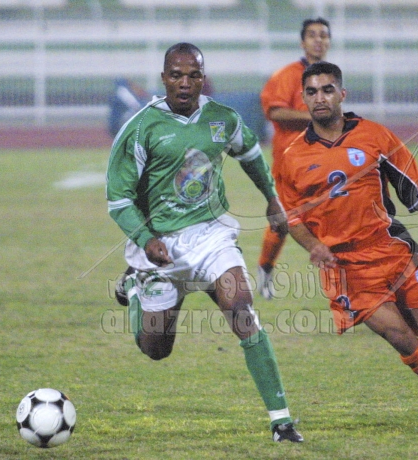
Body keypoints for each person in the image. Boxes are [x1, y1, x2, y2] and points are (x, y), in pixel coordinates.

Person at [106, 42, 303, 443]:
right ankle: (135, 289)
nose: (185, 83)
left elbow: (250, 152)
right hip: (161, 245)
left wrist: (271, 198)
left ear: (202, 79)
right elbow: (119, 200)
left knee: (243, 311)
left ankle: (282, 422)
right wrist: (145, 239)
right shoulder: (141, 128)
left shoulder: (222, 119)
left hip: (212, 235)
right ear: (164, 79)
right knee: (156, 349)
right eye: (176, 75)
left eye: (193, 75)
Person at [276, 61, 418, 422]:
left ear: (342, 94)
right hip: (347, 268)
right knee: (398, 336)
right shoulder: (292, 156)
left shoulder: (374, 136)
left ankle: (402, 311)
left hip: (392, 250)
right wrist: (314, 245)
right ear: (304, 99)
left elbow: (417, 190)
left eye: (327, 90)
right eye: (311, 92)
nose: (319, 98)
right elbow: (291, 217)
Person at [257, 17, 331, 300]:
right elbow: (274, 111)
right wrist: (312, 116)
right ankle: (265, 268)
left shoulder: (331, 78)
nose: (318, 40)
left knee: (333, 215)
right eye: (312, 35)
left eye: (323, 35)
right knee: (284, 220)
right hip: (290, 161)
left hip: (323, 160)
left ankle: (342, 278)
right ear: (302, 42)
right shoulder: (287, 75)